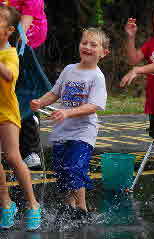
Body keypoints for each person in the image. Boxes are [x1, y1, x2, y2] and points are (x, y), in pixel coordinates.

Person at [31, 27, 109, 216]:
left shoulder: (97, 77)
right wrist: (40, 102)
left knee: (75, 167)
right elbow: (55, 93)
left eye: (93, 44)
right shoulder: (69, 70)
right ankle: (69, 207)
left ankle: (82, 209)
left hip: (83, 132)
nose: (87, 47)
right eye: (84, 43)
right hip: (62, 131)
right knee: (62, 171)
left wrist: (68, 113)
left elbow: (94, 106)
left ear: (103, 53)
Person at [0, 5, 41, 230]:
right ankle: (6, 204)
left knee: (14, 157)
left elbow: (9, 76)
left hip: (6, 113)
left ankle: (33, 204)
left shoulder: (10, 54)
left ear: (9, 32)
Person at [0, 0, 48, 169]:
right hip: (5, 41)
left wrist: (10, 51)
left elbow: (23, 29)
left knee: (25, 93)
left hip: (26, 44)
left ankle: (29, 150)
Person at [120, 8, 154, 158]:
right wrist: (130, 37)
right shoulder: (152, 43)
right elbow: (133, 60)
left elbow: (138, 67)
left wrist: (139, 70)